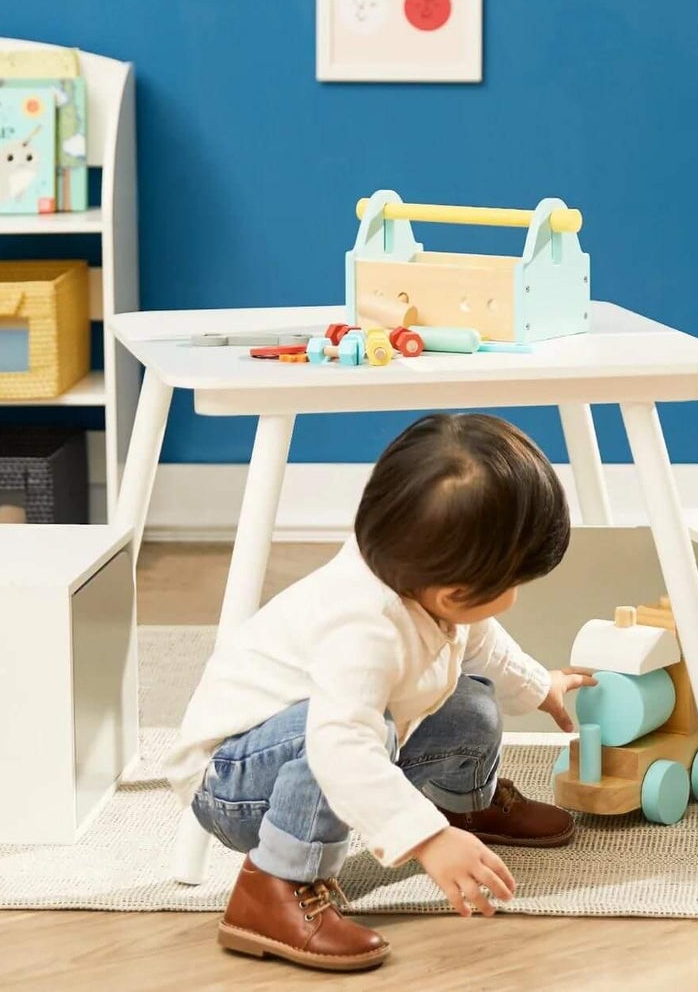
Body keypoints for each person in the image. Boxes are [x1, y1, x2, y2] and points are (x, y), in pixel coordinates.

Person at [166, 412, 594, 972]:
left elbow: (483, 641)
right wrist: (425, 841)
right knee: (348, 735)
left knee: (471, 702)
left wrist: (542, 687)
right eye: (511, 583)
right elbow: (338, 745)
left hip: (319, 739)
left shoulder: (422, 574)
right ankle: (273, 886)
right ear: (455, 592)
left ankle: (459, 804)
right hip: (231, 783)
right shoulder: (361, 626)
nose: (512, 594)